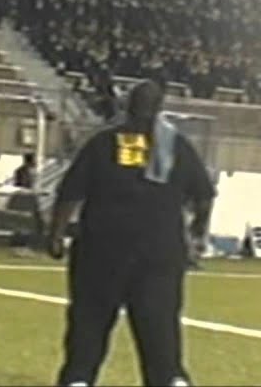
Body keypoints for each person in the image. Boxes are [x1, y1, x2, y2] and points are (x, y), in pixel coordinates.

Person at [46, 79, 215, 387]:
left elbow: (70, 193)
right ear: (160, 108)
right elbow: (204, 194)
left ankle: (79, 380)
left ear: (126, 105)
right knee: (160, 331)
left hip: (102, 249)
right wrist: (197, 232)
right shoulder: (177, 145)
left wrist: (55, 234)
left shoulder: (103, 142)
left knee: (89, 324)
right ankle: (172, 379)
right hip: (160, 253)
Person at [12, 152, 42, 255]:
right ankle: (20, 246)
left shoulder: (28, 172)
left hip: (27, 198)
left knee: (27, 224)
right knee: (22, 224)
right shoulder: (22, 172)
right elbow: (23, 186)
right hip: (25, 199)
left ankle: (23, 246)